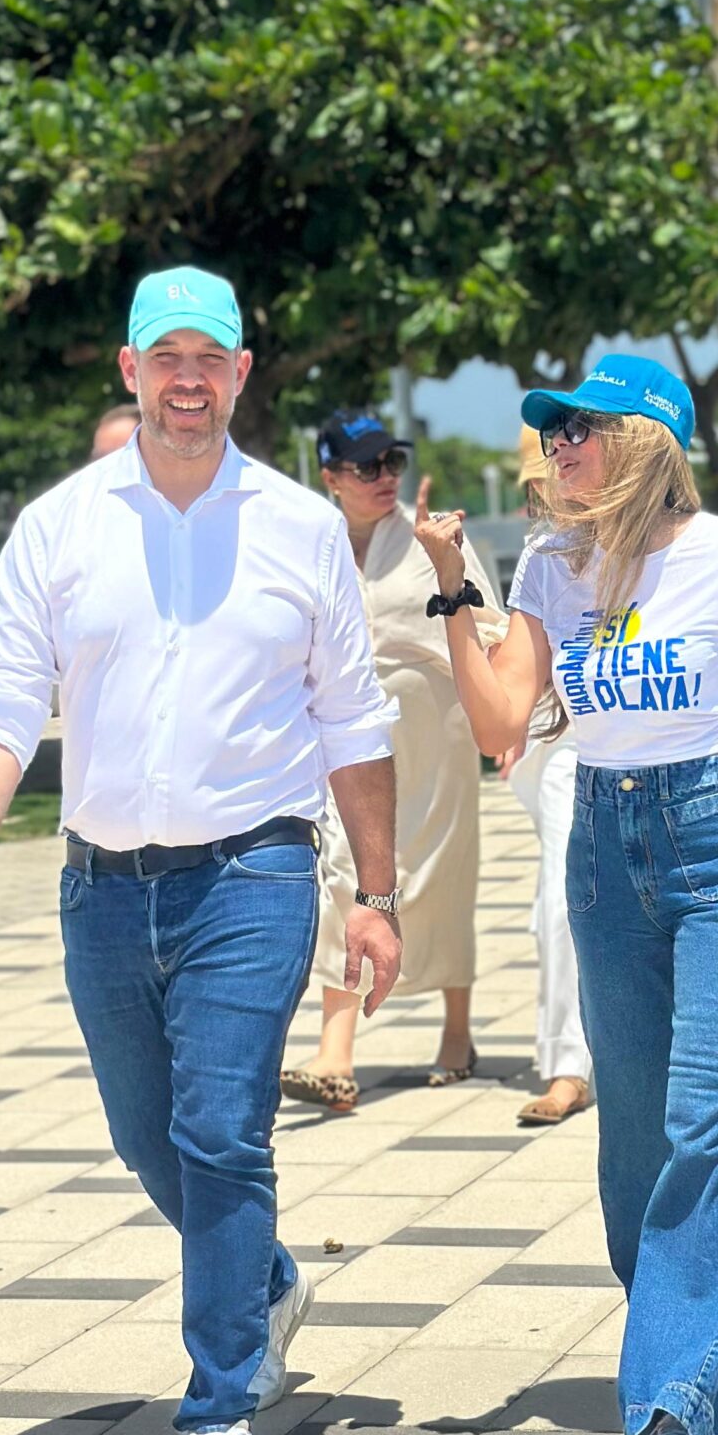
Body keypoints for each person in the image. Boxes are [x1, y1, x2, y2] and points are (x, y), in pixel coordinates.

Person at [0, 267, 401, 1435]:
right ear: (130, 371)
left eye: (211, 357)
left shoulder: (301, 528)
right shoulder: (59, 527)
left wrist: (377, 893)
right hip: (100, 891)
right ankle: (266, 1283)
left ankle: (220, 1413)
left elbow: (353, 723)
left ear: (242, 375)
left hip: (255, 873)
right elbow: (3, 706)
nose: (189, 378)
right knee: (152, 1141)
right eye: (166, 355)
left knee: (224, 1133)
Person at [414, 352, 718, 1435]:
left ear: (646, 440)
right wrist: (454, 588)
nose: (559, 445)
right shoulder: (550, 564)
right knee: (633, 1149)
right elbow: (502, 725)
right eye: (554, 430)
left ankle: (675, 1406)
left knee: (709, 1119)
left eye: (582, 426)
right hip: (606, 850)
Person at [279, 411, 502, 1113]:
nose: (385, 477)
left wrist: (448, 562)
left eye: (393, 463)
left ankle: (458, 1032)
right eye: (366, 466)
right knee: (344, 870)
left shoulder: (431, 533)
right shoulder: (308, 543)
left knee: (442, 871)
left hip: (437, 727)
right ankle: (335, 1053)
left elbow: (490, 626)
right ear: (331, 477)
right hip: (346, 736)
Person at [496, 425, 592, 1126]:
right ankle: (566, 1062)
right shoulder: (539, 556)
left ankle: (631, 1049)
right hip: (559, 747)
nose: (554, 487)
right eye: (544, 477)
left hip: (634, 740)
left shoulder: (651, 538)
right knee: (560, 897)